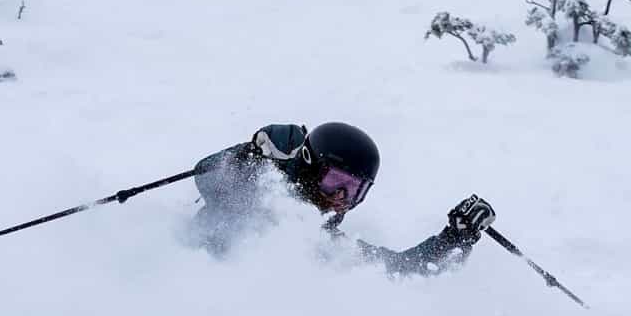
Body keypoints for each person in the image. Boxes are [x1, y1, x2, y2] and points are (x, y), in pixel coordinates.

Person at [185, 122, 496, 275]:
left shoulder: (321, 241)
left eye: (355, 190)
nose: (341, 197)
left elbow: (397, 270)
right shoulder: (256, 191)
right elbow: (208, 177)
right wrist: (249, 154)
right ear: (309, 165)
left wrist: (455, 238)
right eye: (336, 181)